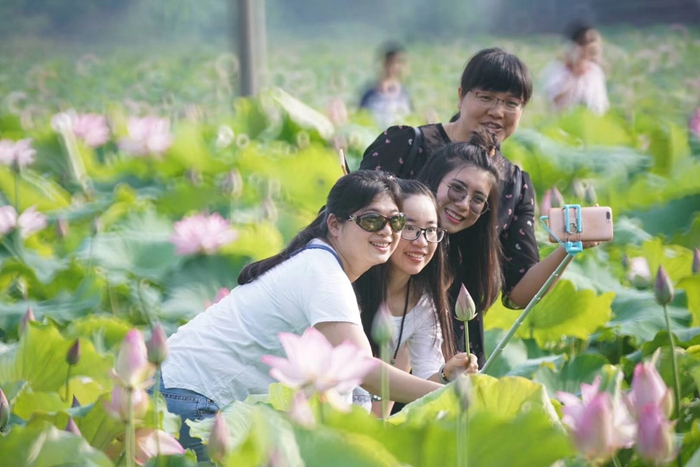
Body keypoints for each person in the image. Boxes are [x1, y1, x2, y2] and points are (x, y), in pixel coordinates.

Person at [158, 170, 443, 460]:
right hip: (193, 396)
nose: (386, 232)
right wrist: (444, 393)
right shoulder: (323, 273)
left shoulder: (319, 261)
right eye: (372, 220)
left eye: (395, 221)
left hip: (185, 387)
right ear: (334, 224)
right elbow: (362, 369)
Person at [360, 48, 589, 367]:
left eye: (512, 103)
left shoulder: (515, 184)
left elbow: (518, 290)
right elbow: (352, 222)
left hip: (455, 338)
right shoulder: (406, 145)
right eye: (486, 97)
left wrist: (569, 248)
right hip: (378, 319)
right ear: (460, 97)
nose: (498, 111)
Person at [353, 179, 479, 415]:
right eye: (409, 228)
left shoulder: (424, 303)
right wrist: (451, 395)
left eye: (431, 230)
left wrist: (445, 375)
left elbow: (426, 378)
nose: (422, 242)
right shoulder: (348, 283)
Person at [542, 21, 610, 115]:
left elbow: (602, 106)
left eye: (595, 41)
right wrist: (574, 73)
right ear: (574, 46)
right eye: (586, 42)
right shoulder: (557, 70)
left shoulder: (595, 72)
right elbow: (553, 102)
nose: (593, 46)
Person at [359, 42, 412, 128]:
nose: (397, 67)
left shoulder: (405, 95)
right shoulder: (370, 94)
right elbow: (361, 118)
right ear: (385, 64)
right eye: (394, 63)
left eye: (401, 63)